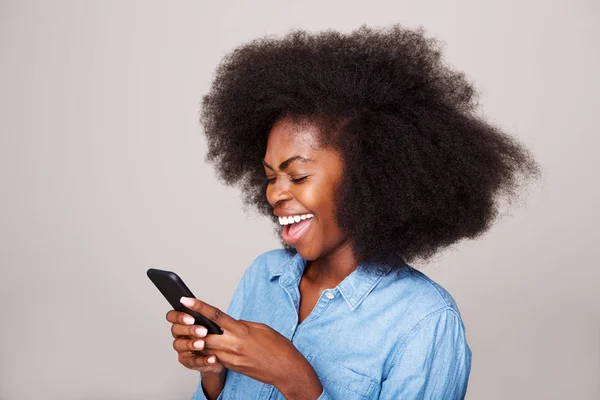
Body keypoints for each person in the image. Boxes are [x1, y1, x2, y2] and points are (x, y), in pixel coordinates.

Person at [165, 25, 539, 399]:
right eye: (270, 176)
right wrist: (212, 375)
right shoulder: (263, 276)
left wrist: (295, 379)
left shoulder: (424, 321)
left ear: (369, 175)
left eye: (298, 175)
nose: (275, 192)